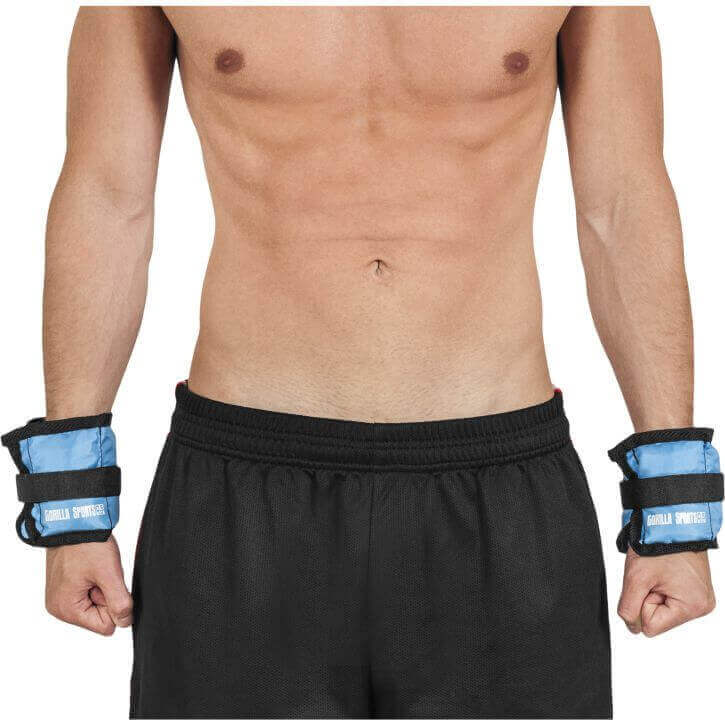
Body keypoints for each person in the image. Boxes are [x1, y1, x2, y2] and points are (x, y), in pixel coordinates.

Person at [2, 6, 721, 718]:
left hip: (500, 488)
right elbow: (109, 197)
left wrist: (674, 508)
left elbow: (620, 205)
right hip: (240, 493)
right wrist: (71, 507)